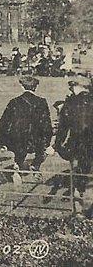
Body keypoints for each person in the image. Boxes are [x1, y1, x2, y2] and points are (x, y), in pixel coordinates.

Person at [0, 76, 53, 185]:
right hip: (36, 138)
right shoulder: (41, 102)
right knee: (42, 151)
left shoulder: (14, 102)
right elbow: (46, 123)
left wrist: (1, 141)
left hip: (18, 138)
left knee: (19, 152)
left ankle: (17, 168)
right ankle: (36, 165)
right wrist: (47, 141)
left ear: (22, 86)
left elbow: (3, 123)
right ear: (35, 87)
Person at [53, 77, 93, 207]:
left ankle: (79, 210)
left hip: (77, 145)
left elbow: (63, 128)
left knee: (78, 175)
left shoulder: (70, 102)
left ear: (76, 87)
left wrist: (56, 145)